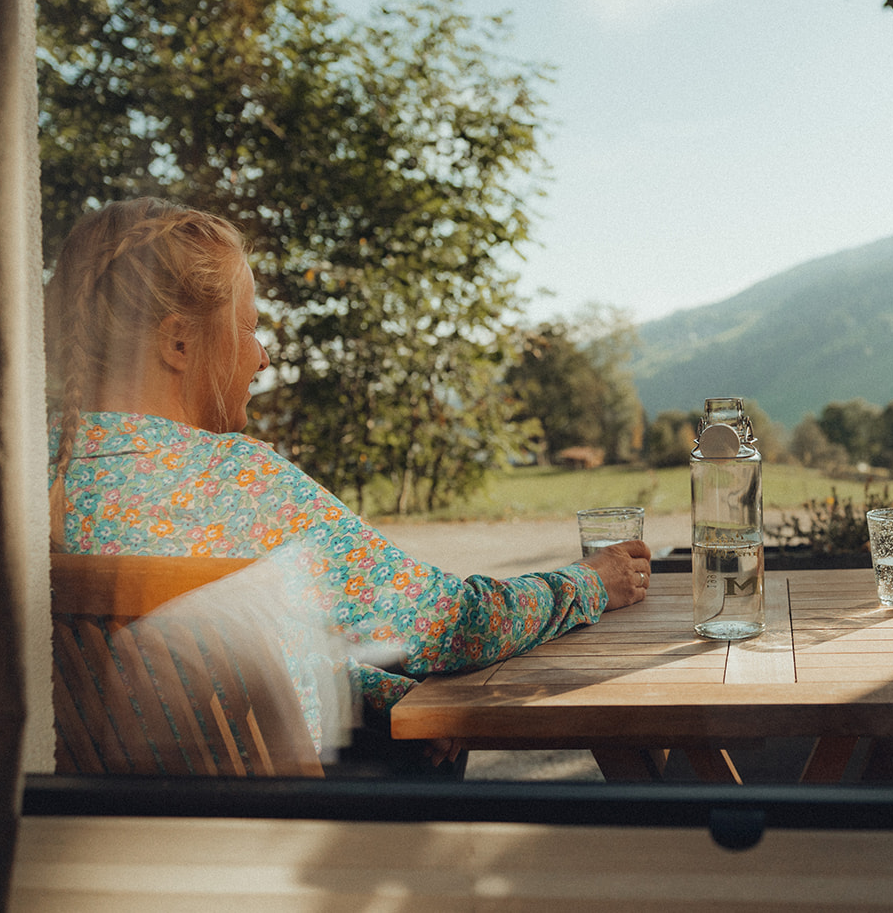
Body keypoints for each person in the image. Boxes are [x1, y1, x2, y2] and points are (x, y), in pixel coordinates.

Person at [45, 197, 652, 759]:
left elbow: (186, 663)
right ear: (179, 342)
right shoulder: (230, 481)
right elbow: (454, 625)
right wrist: (590, 583)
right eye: (248, 327)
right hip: (295, 823)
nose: (262, 356)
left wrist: (375, 693)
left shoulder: (32, 480)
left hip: (113, 818)